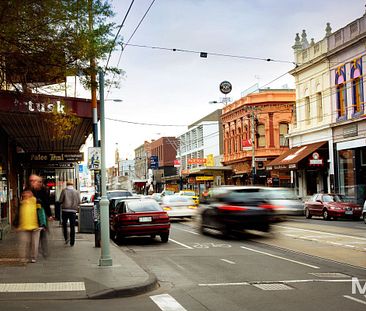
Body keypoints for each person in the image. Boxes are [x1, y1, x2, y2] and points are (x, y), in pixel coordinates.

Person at [29, 174, 52, 258]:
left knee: (42, 233)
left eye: (34, 181)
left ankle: (43, 250)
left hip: (41, 215)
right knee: (31, 235)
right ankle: (34, 251)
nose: (32, 182)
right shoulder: (28, 190)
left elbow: (46, 203)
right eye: (31, 181)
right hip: (30, 215)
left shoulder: (43, 190)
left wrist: (49, 215)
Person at [17, 189, 42, 263]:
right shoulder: (21, 203)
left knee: (34, 243)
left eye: (28, 193)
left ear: (31, 194)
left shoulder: (36, 201)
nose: (26, 194)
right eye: (24, 193)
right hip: (24, 227)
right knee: (23, 243)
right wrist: (18, 225)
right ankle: (23, 257)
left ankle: (33, 257)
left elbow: (40, 212)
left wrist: (42, 223)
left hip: (35, 226)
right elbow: (18, 215)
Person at [59, 181, 80, 246]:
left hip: (65, 210)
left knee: (64, 225)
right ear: (73, 185)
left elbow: (60, 200)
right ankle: (72, 242)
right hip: (73, 211)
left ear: (66, 184)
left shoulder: (64, 191)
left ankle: (66, 237)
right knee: (72, 226)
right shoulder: (76, 192)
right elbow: (79, 201)